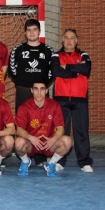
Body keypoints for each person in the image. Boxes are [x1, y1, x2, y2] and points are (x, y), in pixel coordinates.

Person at [8, 18, 54, 166]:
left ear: (39, 32)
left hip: (41, 92)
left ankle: (40, 155)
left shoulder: (48, 51)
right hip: (23, 90)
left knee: (42, 124)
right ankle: (24, 154)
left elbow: (53, 71)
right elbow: (12, 69)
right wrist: (23, 83)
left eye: (34, 30)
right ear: (25, 33)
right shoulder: (18, 49)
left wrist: (41, 87)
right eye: (29, 30)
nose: (32, 32)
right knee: (23, 123)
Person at [51, 29, 93, 172]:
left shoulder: (83, 55)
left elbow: (86, 68)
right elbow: (56, 71)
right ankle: (59, 161)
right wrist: (76, 71)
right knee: (62, 131)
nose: (69, 41)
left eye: (72, 38)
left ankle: (84, 162)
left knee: (81, 131)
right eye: (66, 38)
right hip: (61, 99)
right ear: (62, 40)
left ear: (76, 41)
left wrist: (67, 67)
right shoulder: (56, 55)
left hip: (80, 99)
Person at [14, 77, 72, 177]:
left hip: (48, 143)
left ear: (46, 91)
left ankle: (51, 163)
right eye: (36, 89)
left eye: (42, 89)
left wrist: (53, 139)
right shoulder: (24, 107)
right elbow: (19, 130)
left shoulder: (54, 105)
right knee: (18, 143)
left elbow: (61, 128)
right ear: (32, 90)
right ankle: (25, 162)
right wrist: (31, 138)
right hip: (31, 143)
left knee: (68, 141)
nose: (39, 92)